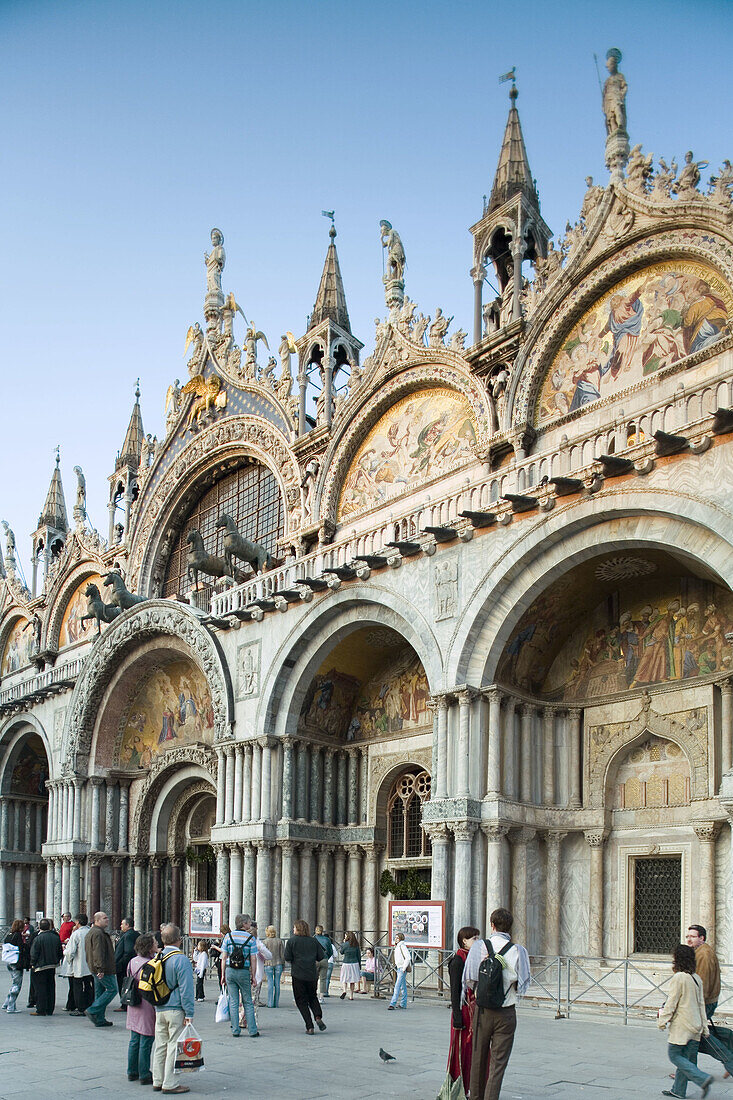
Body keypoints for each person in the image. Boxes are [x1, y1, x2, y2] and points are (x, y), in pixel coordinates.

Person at [463, 907, 531, 1100]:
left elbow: (469, 978)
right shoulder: (519, 951)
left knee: (478, 1058)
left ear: (492, 925)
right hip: (506, 1012)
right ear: (510, 927)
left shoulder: (479, 947)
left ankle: (475, 1097)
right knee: (498, 1063)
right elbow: (523, 984)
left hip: (482, 1011)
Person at [658, 943, 713, 1098]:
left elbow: (671, 1003)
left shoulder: (679, 978)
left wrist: (662, 1021)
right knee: (687, 1059)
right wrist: (705, 1027)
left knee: (675, 1055)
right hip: (696, 1025)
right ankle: (678, 1090)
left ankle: (703, 1079)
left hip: (683, 1026)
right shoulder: (696, 978)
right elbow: (701, 1004)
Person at [151, 923, 195, 1096]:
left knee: (161, 1044)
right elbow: (186, 989)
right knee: (173, 1046)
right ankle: (170, 1083)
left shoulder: (158, 956)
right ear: (179, 939)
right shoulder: (181, 959)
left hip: (159, 1007)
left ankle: (157, 1080)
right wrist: (189, 1012)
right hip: (175, 1008)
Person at [221, 913, 268, 1038]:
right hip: (243, 971)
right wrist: (253, 975)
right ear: (243, 924)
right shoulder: (251, 939)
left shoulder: (228, 937)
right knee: (247, 1001)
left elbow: (224, 957)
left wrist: (222, 975)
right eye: (248, 922)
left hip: (230, 970)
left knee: (233, 1001)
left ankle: (235, 1030)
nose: (250, 924)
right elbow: (253, 959)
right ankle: (252, 1030)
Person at [447, 926, 481, 1097]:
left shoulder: (472, 959)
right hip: (463, 1011)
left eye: (477, 937)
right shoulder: (458, 961)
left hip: (473, 1012)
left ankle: (470, 1087)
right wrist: (457, 1017)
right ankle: (459, 1087)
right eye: (473, 938)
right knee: (462, 1052)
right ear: (464, 941)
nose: (476, 941)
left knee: (472, 1052)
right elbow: (454, 991)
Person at [284, 920, 326, 1035]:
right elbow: (320, 956)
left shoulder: (292, 941)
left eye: (294, 928)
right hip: (312, 974)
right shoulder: (313, 941)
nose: (293, 930)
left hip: (298, 974)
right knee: (312, 996)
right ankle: (317, 1016)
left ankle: (309, 1026)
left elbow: (287, 957)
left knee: (301, 1000)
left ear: (297, 929)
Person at [126, 933, 156, 1085]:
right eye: (154, 943)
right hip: (146, 1003)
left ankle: (132, 1071)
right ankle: (144, 1072)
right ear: (149, 947)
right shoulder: (151, 964)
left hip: (133, 1002)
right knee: (146, 1038)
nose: (157, 945)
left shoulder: (133, 961)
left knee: (134, 1039)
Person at [85, 911, 117, 1026]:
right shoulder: (98, 933)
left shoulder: (94, 932)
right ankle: (93, 1010)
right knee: (112, 989)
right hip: (103, 968)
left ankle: (99, 1019)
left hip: (96, 967)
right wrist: (100, 968)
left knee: (100, 992)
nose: (107, 920)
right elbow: (97, 952)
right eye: (104, 918)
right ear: (97, 920)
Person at [29, 918, 62, 1016]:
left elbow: (34, 953)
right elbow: (60, 951)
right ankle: (50, 1009)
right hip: (52, 965)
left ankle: (41, 1009)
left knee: (40, 988)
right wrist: (57, 960)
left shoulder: (38, 938)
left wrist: (32, 963)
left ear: (39, 927)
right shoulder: (56, 937)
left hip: (40, 966)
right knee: (51, 987)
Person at [686, 925, 721, 1018]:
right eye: (688, 936)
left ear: (701, 938)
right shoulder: (701, 951)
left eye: (693, 937)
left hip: (705, 1002)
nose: (689, 940)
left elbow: (702, 981)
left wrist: (697, 1003)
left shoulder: (704, 954)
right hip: (706, 1001)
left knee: (696, 1029)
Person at [64, 914, 94, 1016]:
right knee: (89, 986)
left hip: (79, 965)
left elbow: (71, 951)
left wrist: (66, 954)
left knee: (78, 987)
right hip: (90, 964)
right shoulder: (91, 932)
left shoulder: (76, 934)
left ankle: (81, 1008)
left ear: (77, 922)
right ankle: (89, 1005)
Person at [2, 919, 28, 1013]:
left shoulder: (9, 935)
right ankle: (11, 1007)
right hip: (16, 963)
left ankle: (6, 1003)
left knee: (14, 983)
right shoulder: (17, 936)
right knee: (17, 985)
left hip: (9, 962)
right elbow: (21, 948)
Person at [115, 917, 140, 1009]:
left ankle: (124, 1004)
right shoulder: (136, 934)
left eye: (122, 924)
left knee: (123, 984)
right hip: (132, 964)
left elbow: (128, 951)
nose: (121, 926)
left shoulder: (128, 935)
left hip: (124, 966)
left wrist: (121, 963)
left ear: (127, 925)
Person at [387, 933, 411, 1010]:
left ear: (401, 938)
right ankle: (403, 1004)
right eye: (395, 938)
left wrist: (404, 968)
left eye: (397, 938)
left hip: (402, 969)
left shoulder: (402, 946)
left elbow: (408, 957)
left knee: (397, 986)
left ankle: (392, 1003)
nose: (396, 939)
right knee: (402, 986)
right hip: (399, 968)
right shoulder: (397, 947)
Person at [263, 925, 284, 1008]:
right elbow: (282, 954)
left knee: (270, 983)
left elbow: (263, 954)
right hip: (278, 963)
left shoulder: (265, 942)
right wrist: (283, 963)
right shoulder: (279, 941)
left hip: (268, 964)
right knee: (277, 983)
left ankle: (270, 1003)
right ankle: (276, 1003)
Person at [59, 912, 75, 1012]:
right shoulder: (63, 924)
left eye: (65, 917)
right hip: (63, 944)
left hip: (67, 945)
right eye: (63, 917)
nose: (64, 918)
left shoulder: (71, 925)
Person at [314, 925, 335, 998]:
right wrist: (326, 957)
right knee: (323, 979)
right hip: (324, 960)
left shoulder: (313, 939)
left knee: (314, 978)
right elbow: (330, 951)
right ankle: (321, 997)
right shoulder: (327, 939)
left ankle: (314, 995)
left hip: (315, 960)